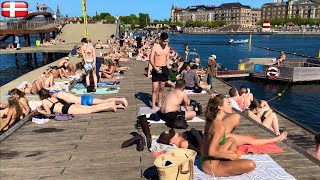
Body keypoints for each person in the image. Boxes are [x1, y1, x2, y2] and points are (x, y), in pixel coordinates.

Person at [201, 94, 256, 177]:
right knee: (251, 165)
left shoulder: (211, 119)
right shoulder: (219, 127)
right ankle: (231, 162)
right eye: (228, 103)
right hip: (212, 166)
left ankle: (231, 162)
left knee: (231, 140)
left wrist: (214, 99)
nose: (231, 105)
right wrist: (229, 155)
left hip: (205, 159)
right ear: (220, 107)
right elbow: (211, 152)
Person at [36, 89, 123, 115]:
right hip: (70, 105)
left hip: (66, 109)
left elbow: (47, 114)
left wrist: (40, 111)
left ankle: (110, 106)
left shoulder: (44, 101)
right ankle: (110, 104)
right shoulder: (53, 98)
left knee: (92, 110)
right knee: (92, 108)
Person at [149, 32, 170, 112]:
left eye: (167, 41)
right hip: (156, 68)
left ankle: (160, 103)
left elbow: (167, 59)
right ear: (160, 40)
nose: (165, 43)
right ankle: (153, 105)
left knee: (161, 88)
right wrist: (155, 68)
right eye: (164, 41)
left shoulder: (167, 48)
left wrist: (168, 68)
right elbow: (151, 59)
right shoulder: (155, 47)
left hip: (164, 68)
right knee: (154, 89)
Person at [52, 91, 128, 108]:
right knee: (102, 104)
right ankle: (119, 105)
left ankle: (121, 99)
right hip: (83, 100)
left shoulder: (59, 95)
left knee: (103, 101)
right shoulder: (60, 92)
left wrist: (75, 105)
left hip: (84, 100)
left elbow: (69, 101)